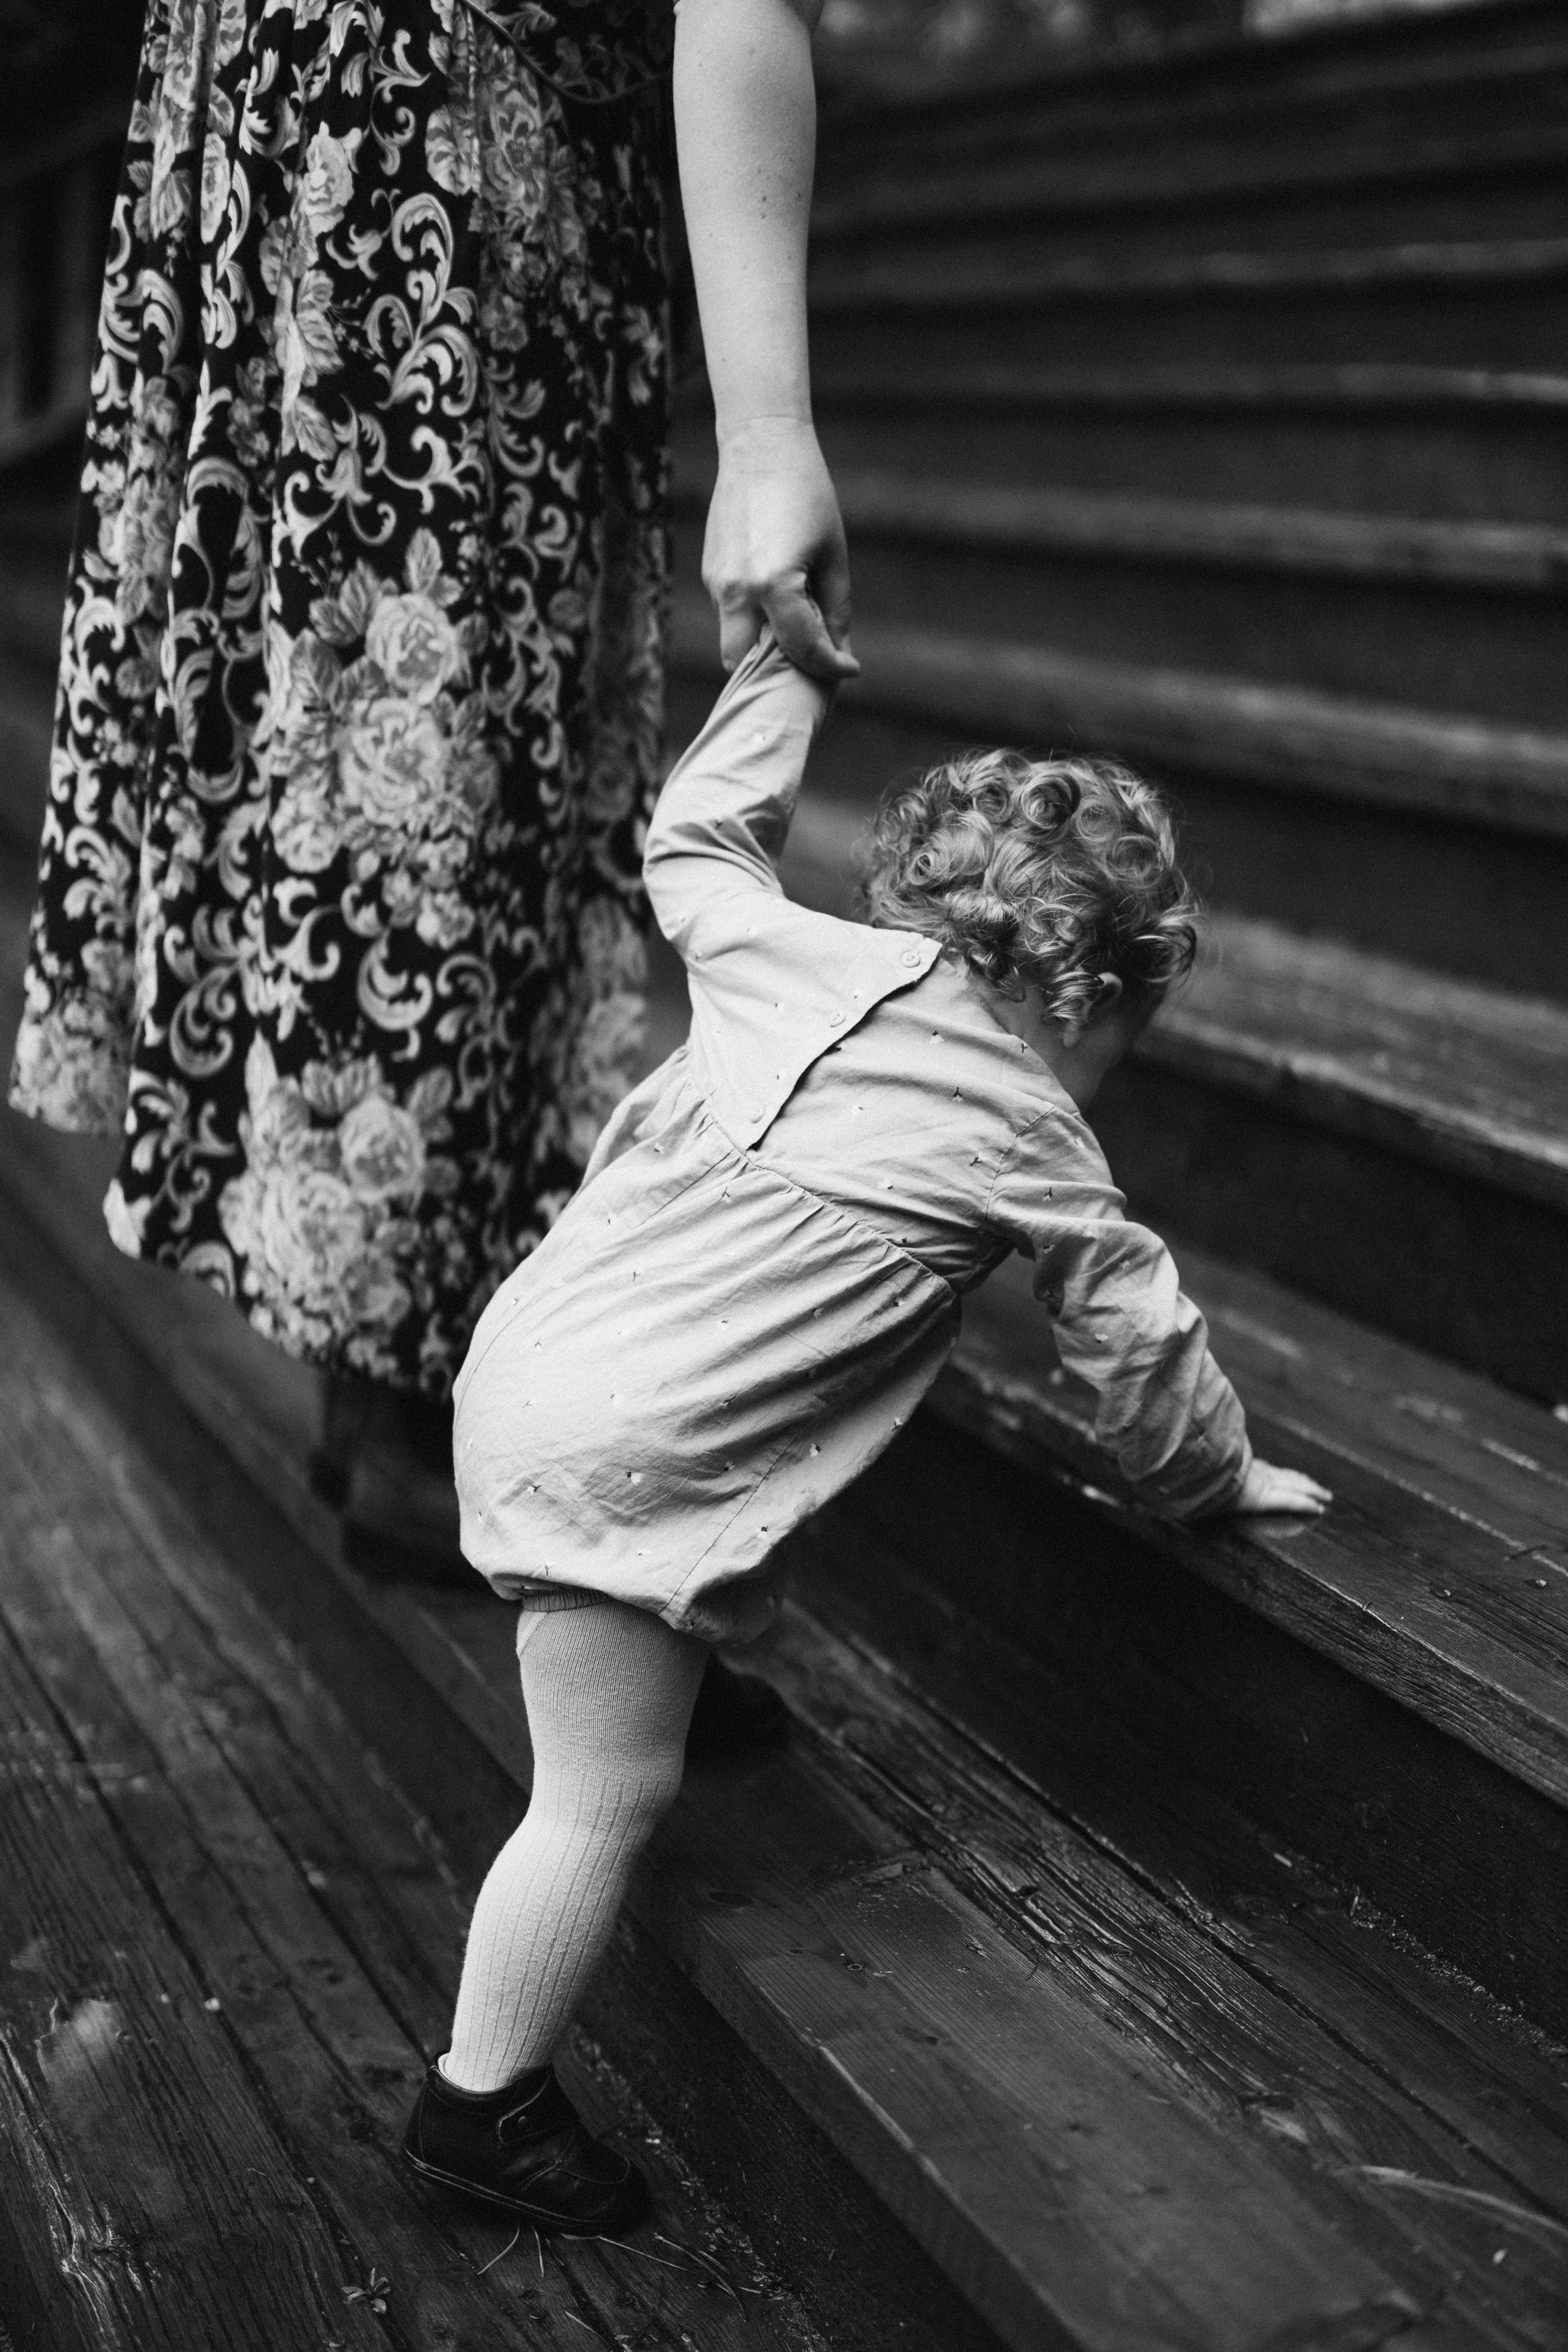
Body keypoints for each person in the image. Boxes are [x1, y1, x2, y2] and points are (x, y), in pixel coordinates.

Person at [399, 631, 1333, 2231]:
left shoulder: (784, 950)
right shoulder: (1032, 1132)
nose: (1102, 1085)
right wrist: (1215, 1477)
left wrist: (781, 673)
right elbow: (1139, 1333)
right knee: (596, 1803)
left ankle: (681, 1684)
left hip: (523, 1364)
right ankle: (479, 2105)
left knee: (655, 1572)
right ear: (1084, 995)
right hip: (623, 1460)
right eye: (1122, 1046)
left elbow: (692, 834)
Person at [6, 0, 851, 1741]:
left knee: (356, 723)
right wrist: (767, 433)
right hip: (433, 145)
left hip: (282, 126)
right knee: (428, 729)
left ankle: (383, 1377)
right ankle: (420, 1412)